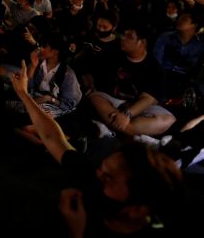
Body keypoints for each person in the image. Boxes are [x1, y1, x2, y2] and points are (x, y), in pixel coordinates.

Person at [10, 60, 185, 238]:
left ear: (138, 210)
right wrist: (23, 94)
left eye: (108, 178)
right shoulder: (94, 182)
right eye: (101, 168)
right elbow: (53, 138)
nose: (97, 175)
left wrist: (77, 232)